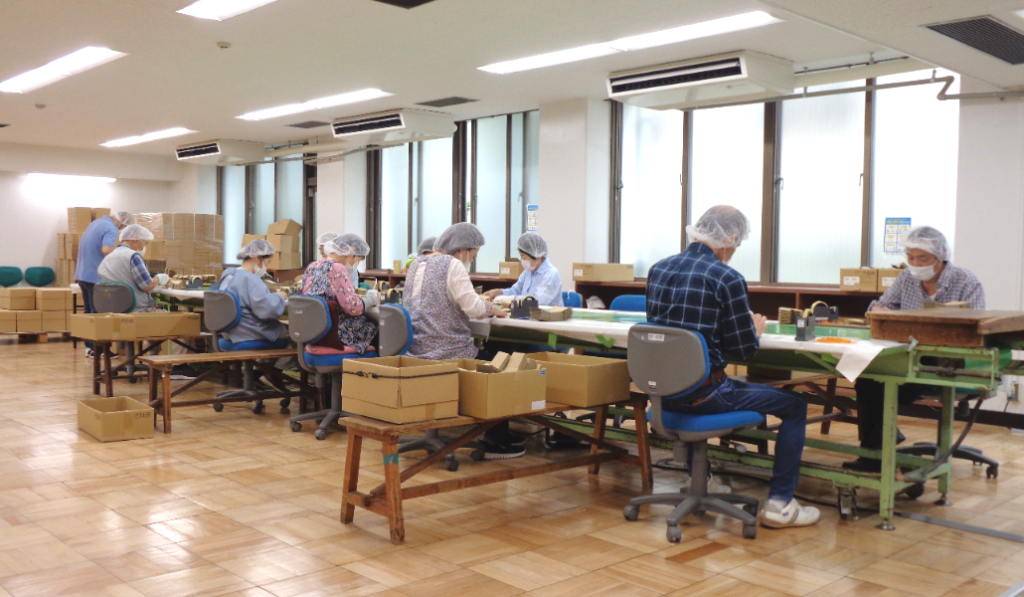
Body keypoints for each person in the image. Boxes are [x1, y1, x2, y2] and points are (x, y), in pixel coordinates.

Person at [647, 205, 820, 529]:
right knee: (796, 405)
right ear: (729, 237)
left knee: (699, 383)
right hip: (706, 394)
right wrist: (754, 330)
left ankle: (704, 481)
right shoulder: (726, 277)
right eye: (737, 245)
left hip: (662, 394)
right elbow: (743, 351)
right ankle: (781, 504)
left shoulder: (659, 269)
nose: (734, 252)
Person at [844, 226, 986, 472]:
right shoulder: (906, 278)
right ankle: (874, 453)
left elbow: (976, 330)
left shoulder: (966, 281)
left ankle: (878, 451)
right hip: (908, 357)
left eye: (923, 258)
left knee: (881, 384)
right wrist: (880, 311)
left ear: (942, 256)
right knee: (868, 379)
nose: (915, 263)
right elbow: (878, 305)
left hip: (949, 362)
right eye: (910, 257)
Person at [404, 223, 521, 459]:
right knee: (499, 369)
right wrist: (493, 309)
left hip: (415, 351)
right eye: (473, 255)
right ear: (462, 250)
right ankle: (497, 442)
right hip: (448, 352)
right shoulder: (453, 264)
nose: (471, 260)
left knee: (490, 357)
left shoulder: (418, 263)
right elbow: (473, 307)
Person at [215, 239, 291, 368]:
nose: (267, 267)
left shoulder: (228, 274)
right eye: (267, 262)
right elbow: (267, 310)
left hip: (228, 330)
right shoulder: (251, 279)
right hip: (246, 331)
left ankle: (261, 373)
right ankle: (271, 373)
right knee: (295, 337)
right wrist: (280, 297)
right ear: (257, 258)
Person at [302, 237, 378, 354]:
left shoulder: (313, 266)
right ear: (350, 251)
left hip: (314, 331)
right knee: (378, 330)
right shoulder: (337, 268)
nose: (355, 264)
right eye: (357, 260)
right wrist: (372, 298)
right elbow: (354, 308)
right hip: (338, 333)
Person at [75, 210, 136, 357]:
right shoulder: (111, 228)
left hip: (83, 274)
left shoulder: (96, 223)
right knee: (98, 315)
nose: (122, 229)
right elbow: (106, 249)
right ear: (121, 221)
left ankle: (90, 348)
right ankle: (100, 349)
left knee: (89, 313)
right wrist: (121, 257)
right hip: (95, 276)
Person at [98, 224, 170, 312]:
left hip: (113, 311)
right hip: (136, 311)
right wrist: (160, 277)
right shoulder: (133, 257)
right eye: (144, 243)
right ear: (136, 239)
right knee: (177, 319)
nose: (144, 247)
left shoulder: (108, 258)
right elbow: (147, 285)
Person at [482, 232, 563, 307]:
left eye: (524, 257)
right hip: (528, 315)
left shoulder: (551, 274)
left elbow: (538, 301)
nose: (522, 261)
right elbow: (516, 290)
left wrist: (512, 298)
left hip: (548, 318)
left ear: (537, 257)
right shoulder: (528, 271)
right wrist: (499, 292)